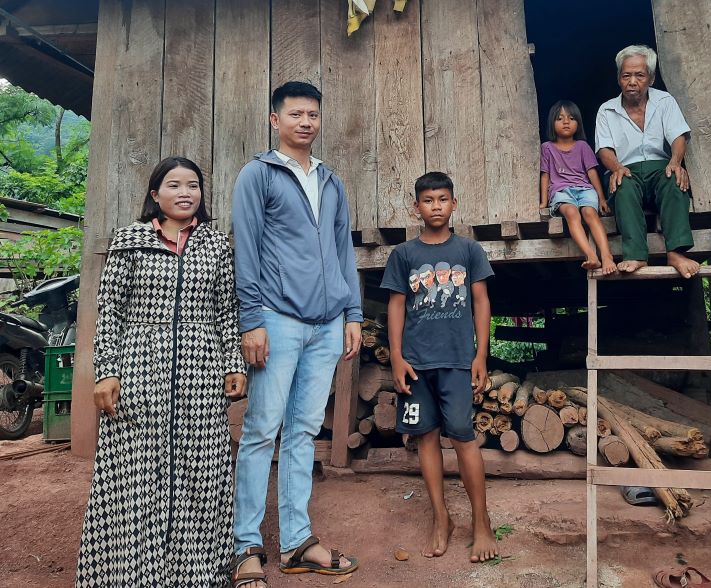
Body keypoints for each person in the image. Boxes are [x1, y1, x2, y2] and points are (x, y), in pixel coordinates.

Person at [76, 156, 246, 587]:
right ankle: (128, 574)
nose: (185, 193)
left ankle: (197, 572)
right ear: (155, 195)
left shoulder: (214, 244)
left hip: (200, 367)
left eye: (193, 185)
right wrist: (106, 371)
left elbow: (226, 309)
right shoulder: (130, 240)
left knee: (200, 469)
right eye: (173, 185)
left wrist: (233, 362)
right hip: (139, 367)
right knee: (135, 472)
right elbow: (109, 309)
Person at [230, 81, 362, 587]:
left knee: (305, 431)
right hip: (278, 320)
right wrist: (253, 321)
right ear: (275, 120)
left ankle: (296, 541)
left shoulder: (331, 181)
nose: (306, 122)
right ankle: (245, 545)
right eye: (295, 114)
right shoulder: (258, 176)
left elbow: (342, 250)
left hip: (328, 323)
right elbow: (247, 249)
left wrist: (352, 312)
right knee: (262, 431)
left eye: (312, 114)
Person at [382, 172, 498, 563]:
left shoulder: (469, 251)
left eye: (442, 199)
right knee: (426, 438)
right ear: (416, 207)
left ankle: (482, 521)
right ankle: (440, 517)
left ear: (454, 204)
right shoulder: (404, 255)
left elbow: (481, 302)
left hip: (456, 362)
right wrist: (396, 356)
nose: (435, 206)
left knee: (464, 438)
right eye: (428, 200)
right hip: (416, 365)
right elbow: (396, 305)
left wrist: (480, 355)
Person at [594, 44, 700, 279]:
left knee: (675, 181)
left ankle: (676, 252)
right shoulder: (607, 110)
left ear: (650, 79)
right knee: (621, 185)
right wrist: (617, 168)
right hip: (626, 170)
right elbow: (604, 150)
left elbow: (678, 136)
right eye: (626, 75)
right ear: (619, 79)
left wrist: (675, 161)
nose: (632, 81)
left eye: (639, 75)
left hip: (659, 167)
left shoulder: (664, 101)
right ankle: (636, 254)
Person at [539, 100, 616, 275]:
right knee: (572, 213)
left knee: (590, 213)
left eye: (571, 118)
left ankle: (606, 256)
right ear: (552, 123)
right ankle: (591, 255)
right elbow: (546, 175)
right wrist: (544, 202)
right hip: (561, 190)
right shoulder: (547, 148)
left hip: (584, 189)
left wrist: (602, 198)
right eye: (560, 118)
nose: (566, 122)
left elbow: (592, 173)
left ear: (578, 123)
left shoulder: (582, 146)